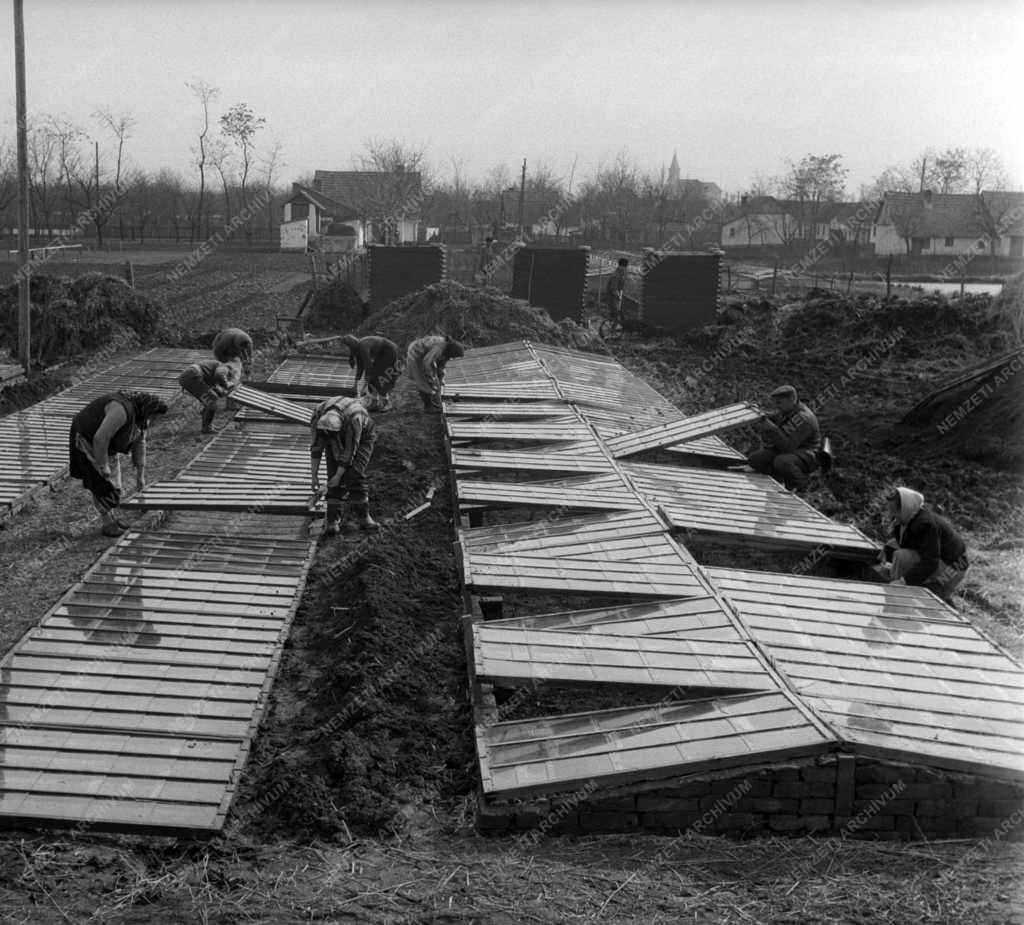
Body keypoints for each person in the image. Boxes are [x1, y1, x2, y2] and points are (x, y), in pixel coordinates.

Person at [69, 391, 168, 537]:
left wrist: (140, 476)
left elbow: (140, 442)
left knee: (114, 487)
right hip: (87, 438)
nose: (153, 419)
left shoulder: (141, 417)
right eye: (154, 416)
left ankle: (112, 519)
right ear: (149, 409)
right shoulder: (121, 410)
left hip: (106, 444)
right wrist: (103, 465)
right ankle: (107, 523)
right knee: (101, 485)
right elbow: (100, 438)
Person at [882, 487, 969, 604]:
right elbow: (898, 543)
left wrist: (903, 581)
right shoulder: (907, 518)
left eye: (894, 510)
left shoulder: (926, 524)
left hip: (951, 570)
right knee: (892, 545)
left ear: (905, 508)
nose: (891, 514)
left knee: (902, 556)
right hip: (940, 563)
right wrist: (888, 566)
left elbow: (930, 562)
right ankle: (900, 585)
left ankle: (904, 594)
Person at [310, 395, 379, 535]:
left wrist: (339, 475)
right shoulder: (317, 416)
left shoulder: (354, 418)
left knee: (353, 474)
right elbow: (316, 447)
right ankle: (332, 520)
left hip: (363, 436)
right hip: (336, 430)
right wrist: (314, 476)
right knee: (333, 474)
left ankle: (364, 517)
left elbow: (349, 452)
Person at [746, 384, 821, 491]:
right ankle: (779, 478)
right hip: (793, 450)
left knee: (782, 461)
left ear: (791, 400)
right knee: (755, 460)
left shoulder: (804, 419)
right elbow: (774, 415)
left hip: (807, 454)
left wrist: (773, 429)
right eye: (776, 402)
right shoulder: (788, 409)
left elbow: (787, 447)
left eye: (779, 403)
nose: (777, 406)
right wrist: (759, 413)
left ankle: (804, 485)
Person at [177, 357, 243, 433]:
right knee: (211, 401)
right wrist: (227, 385)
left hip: (189, 376)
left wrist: (222, 393)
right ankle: (206, 428)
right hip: (193, 375)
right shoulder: (225, 367)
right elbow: (219, 375)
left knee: (208, 400)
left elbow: (213, 388)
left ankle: (208, 426)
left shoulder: (212, 370)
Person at [339, 334, 400, 411]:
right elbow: (360, 367)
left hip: (389, 351)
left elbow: (368, 367)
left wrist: (364, 387)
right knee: (374, 375)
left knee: (380, 375)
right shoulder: (358, 348)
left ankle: (386, 402)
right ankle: (374, 402)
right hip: (382, 353)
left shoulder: (363, 348)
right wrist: (355, 384)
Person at [405, 334, 465, 411]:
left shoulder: (446, 349)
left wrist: (441, 379)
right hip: (416, 353)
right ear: (453, 351)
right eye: (454, 356)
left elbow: (441, 366)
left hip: (425, 354)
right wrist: (431, 377)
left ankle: (434, 401)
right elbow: (426, 363)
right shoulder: (439, 347)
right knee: (422, 380)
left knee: (434, 380)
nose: (453, 358)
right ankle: (428, 406)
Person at [606, 258, 629, 324]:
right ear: (622, 266)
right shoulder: (616, 275)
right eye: (625, 267)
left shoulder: (620, 273)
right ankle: (612, 328)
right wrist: (619, 296)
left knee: (616, 312)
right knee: (615, 312)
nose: (626, 269)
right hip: (613, 295)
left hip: (616, 294)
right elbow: (613, 288)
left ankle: (613, 326)